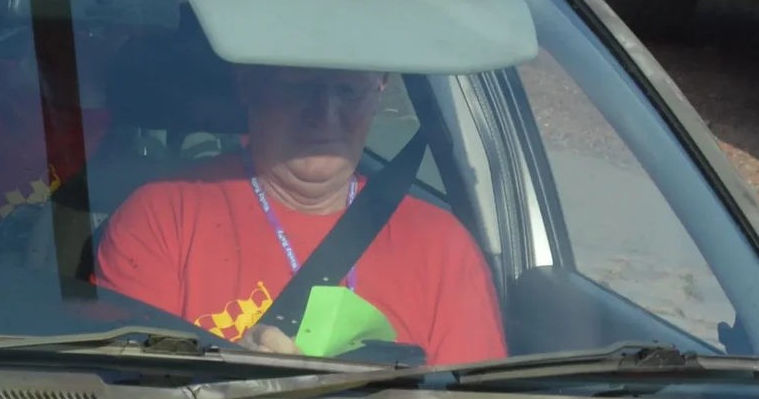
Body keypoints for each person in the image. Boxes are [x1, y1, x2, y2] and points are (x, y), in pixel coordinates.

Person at [95, 65, 504, 365]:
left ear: (380, 89)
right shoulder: (160, 220)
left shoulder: (442, 247)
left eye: (347, 90)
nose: (324, 114)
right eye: (299, 87)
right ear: (249, 84)